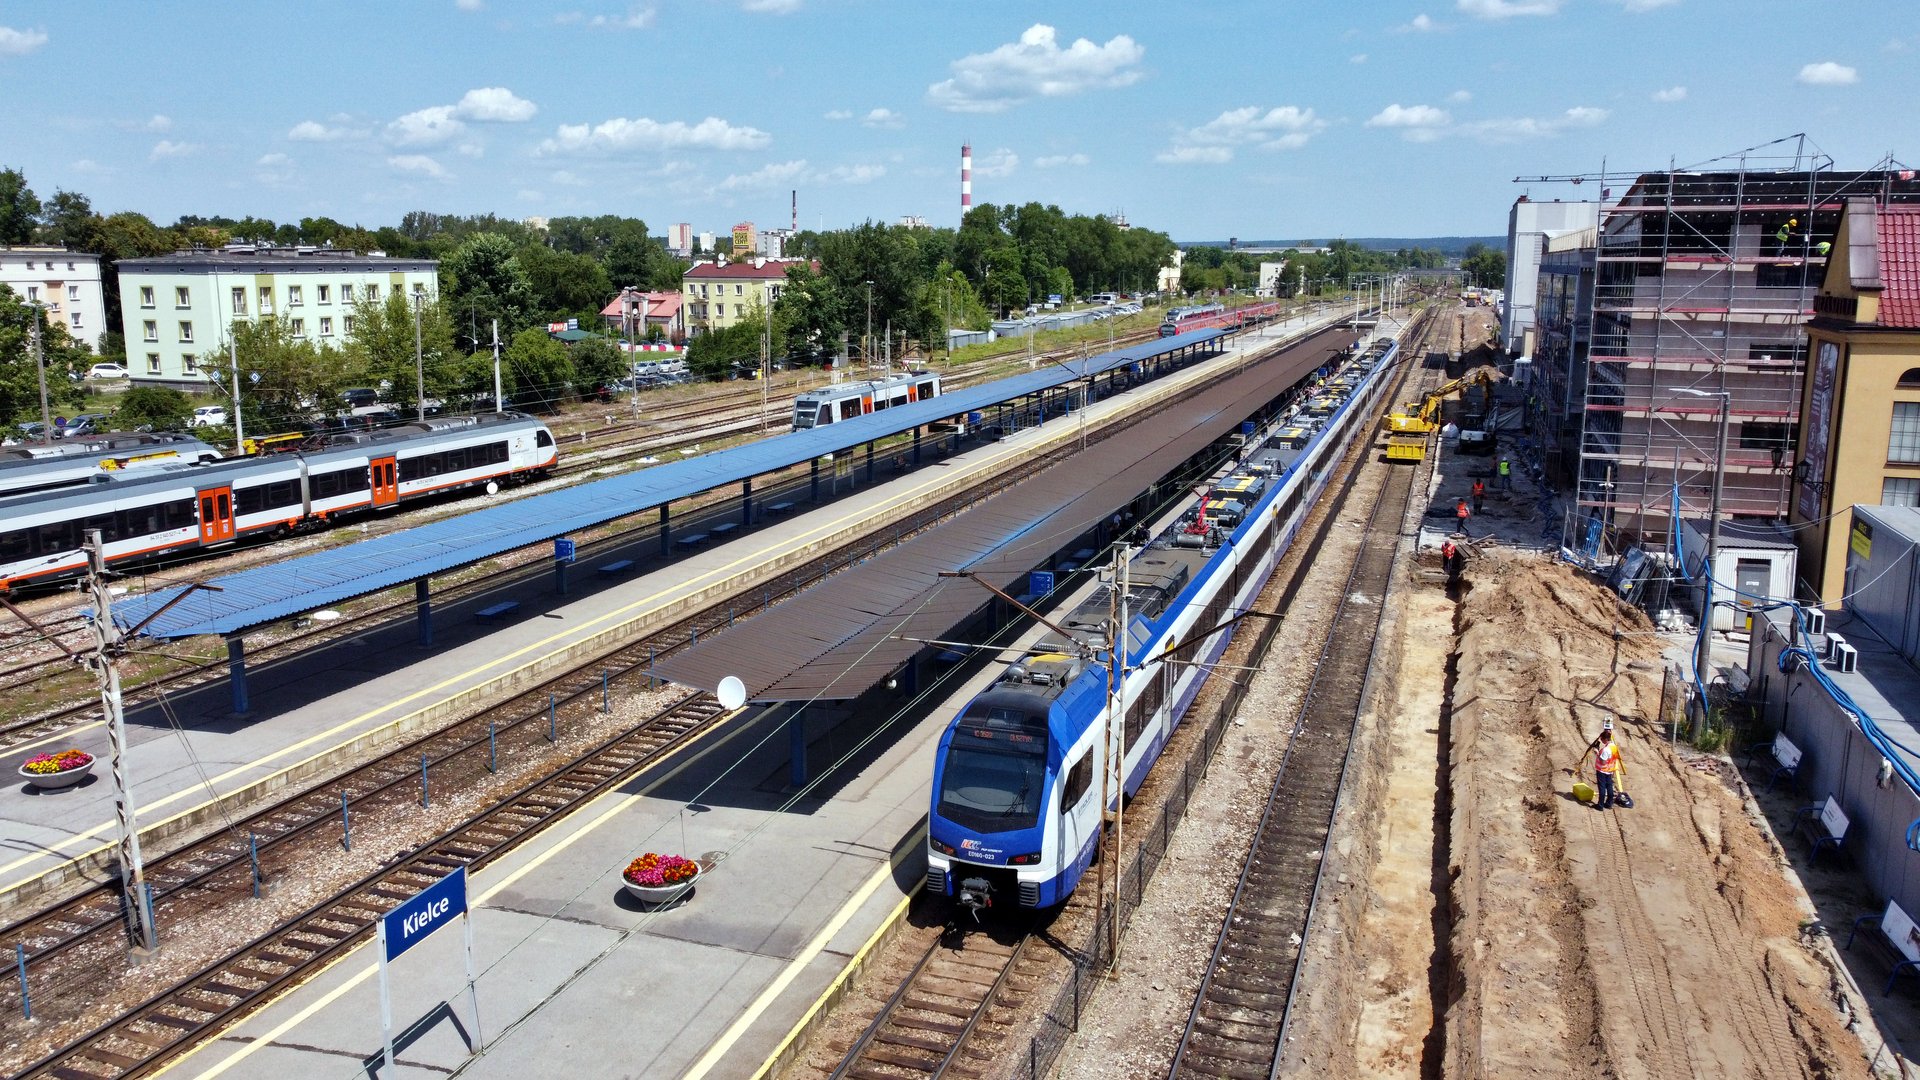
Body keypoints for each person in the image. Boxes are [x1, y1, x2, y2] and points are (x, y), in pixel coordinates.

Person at [1578, 725, 1626, 811]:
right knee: (1609, 787)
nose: (1602, 741)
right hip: (1610, 770)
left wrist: (1597, 753)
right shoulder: (1614, 747)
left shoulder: (1606, 750)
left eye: (1602, 740)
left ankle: (1600, 805)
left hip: (1602, 771)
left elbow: (1603, 761)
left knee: (1602, 788)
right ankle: (1609, 803)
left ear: (1605, 739)